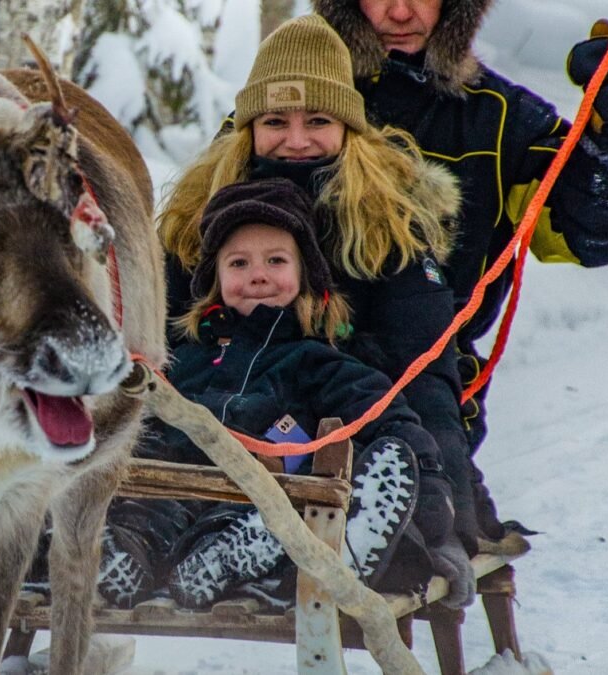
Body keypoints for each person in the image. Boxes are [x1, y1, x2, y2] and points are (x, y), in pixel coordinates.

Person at [311, 1, 608, 535]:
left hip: (431, 396)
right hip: (283, 375)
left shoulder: (500, 118)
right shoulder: (291, 103)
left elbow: (593, 238)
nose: (400, 12)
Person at [155, 14, 487, 559]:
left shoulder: (387, 224)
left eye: (317, 120)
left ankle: (375, 533)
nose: (296, 141)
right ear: (249, 127)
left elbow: (424, 372)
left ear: (348, 127)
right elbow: (156, 344)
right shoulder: (195, 216)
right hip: (214, 441)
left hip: (347, 441)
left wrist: (446, 501)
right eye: (275, 122)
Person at [115, 178, 476, 610]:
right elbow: (137, 415)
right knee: (139, 516)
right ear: (215, 279)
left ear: (305, 276)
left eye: (275, 260)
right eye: (239, 264)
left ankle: (241, 556)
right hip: (169, 490)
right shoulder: (181, 360)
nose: (258, 275)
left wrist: (432, 497)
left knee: (254, 518)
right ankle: (115, 558)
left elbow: (389, 418)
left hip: (260, 499)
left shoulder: (316, 361)